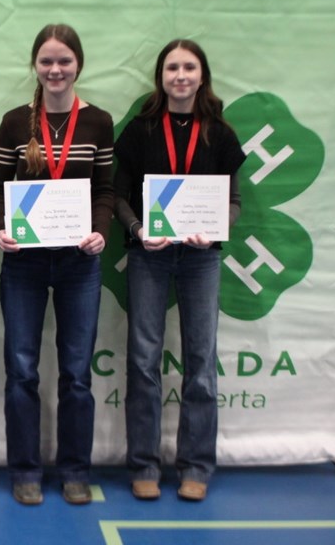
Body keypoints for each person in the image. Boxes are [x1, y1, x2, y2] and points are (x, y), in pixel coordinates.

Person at [113, 39, 246, 502]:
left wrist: (214, 230)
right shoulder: (140, 130)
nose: (181, 75)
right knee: (144, 361)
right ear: (161, 76)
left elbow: (233, 202)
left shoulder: (221, 134)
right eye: (172, 67)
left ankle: (196, 466)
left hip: (201, 258)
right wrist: (135, 229)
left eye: (189, 67)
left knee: (201, 363)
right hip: (149, 255)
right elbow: (120, 196)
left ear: (202, 75)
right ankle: (144, 464)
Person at [0, 24, 115, 506]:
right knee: (21, 369)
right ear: (35, 66)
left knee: (77, 372)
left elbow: (104, 189)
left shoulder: (99, 122)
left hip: (80, 263)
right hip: (23, 264)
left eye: (64, 61)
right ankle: (24, 470)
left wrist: (100, 229)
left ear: (78, 64)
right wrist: (1, 228)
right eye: (46, 61)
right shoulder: (14, 122)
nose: (55, 70)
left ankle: (75, 470)